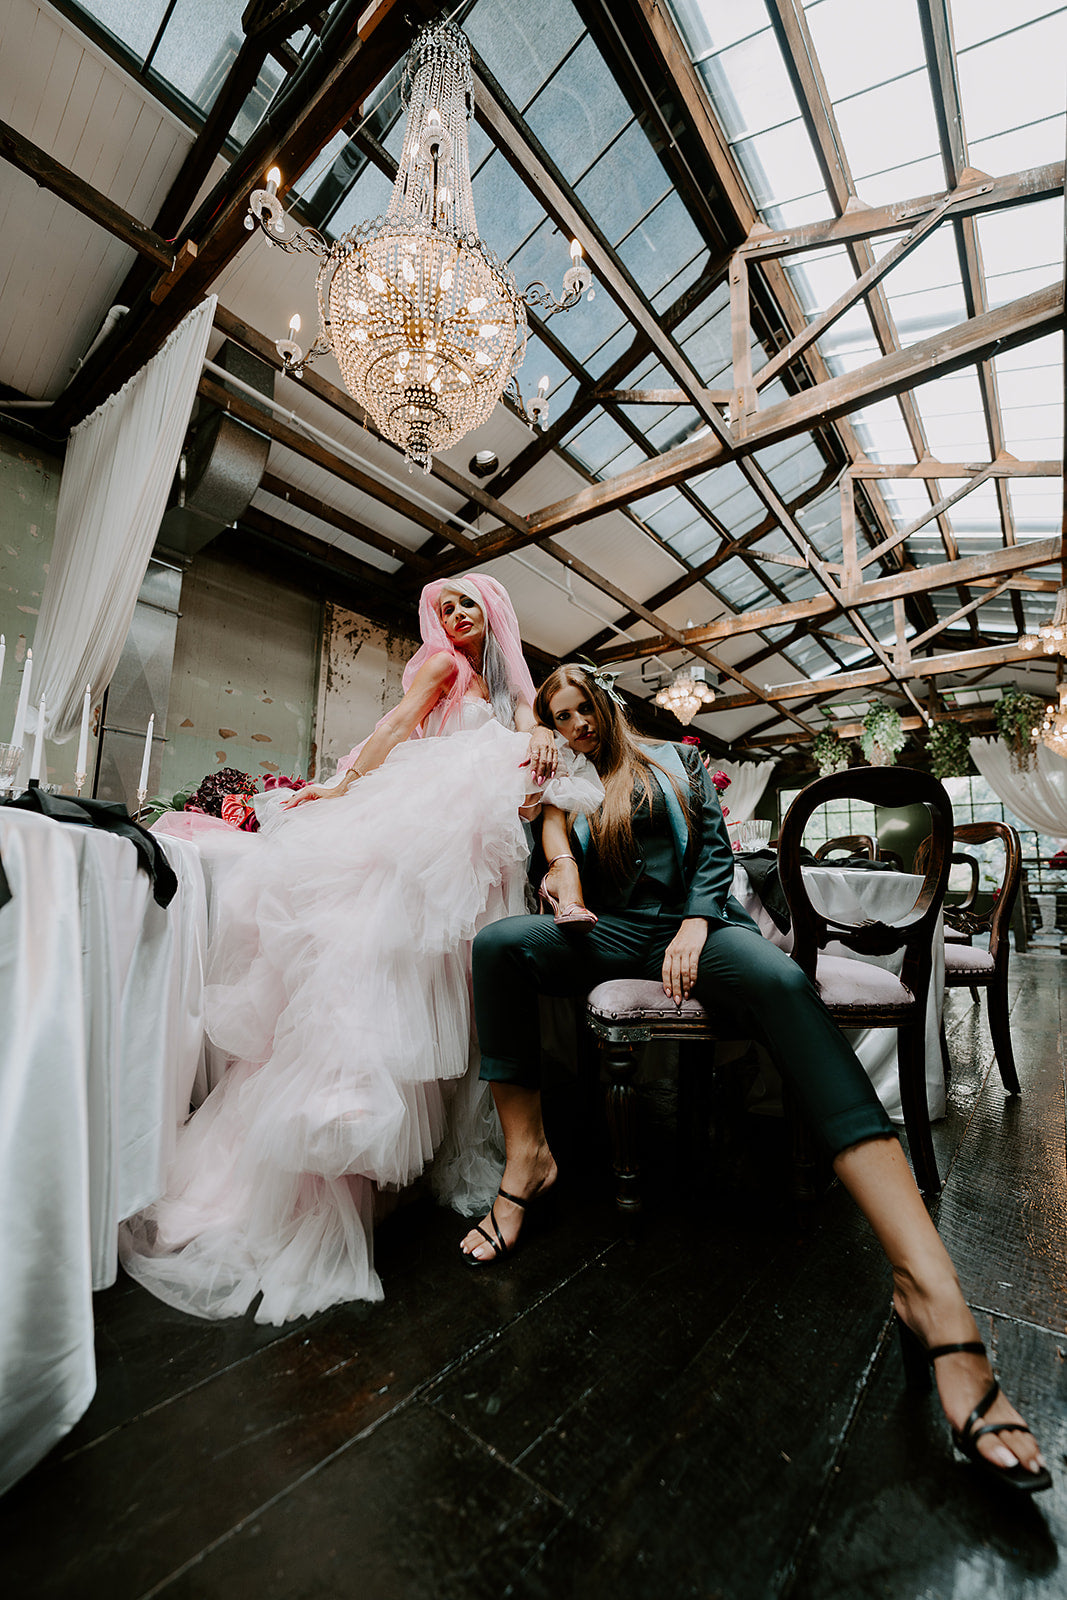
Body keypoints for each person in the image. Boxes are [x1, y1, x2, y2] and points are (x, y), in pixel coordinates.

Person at [460, 663, 1051, 1496]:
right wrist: (555, 879)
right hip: (609, 934)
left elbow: (711, 851)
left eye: (582, 708)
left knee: (781, 984)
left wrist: (697, 923)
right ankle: (528, 1157)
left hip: (700, 928)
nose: (575, 725)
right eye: (559, 717)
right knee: (496, 947)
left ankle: (932, 1289)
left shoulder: (678, 759)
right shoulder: (559, 785)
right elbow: (554, 864)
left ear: (607, 702)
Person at [120, 579, 600, 1324]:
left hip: (479, 844)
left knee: (453, 986)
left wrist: (538, 736)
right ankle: (341, 1143)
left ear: (493, 614)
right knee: (390, 961)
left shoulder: (512, 691)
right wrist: (341, 786)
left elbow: (529, 729)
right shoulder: (442, 668)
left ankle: (419, 1160)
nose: (455, 617)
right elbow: (398, 725)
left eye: (467, 606)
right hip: (436, 825)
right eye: (445, 609)